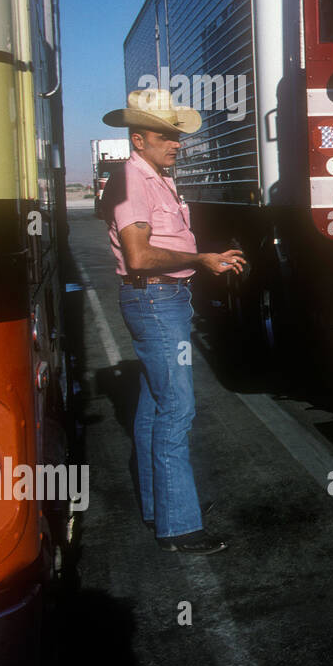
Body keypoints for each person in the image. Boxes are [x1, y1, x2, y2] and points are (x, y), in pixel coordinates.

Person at [102, 90, 247, 554]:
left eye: (176, 134)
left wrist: (203, 260)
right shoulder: (131, 179)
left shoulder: (155, 177)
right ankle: (180, 527)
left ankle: (156, 510)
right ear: (138, 138)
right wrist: (201, 258)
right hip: (155, 300)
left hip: (165, 299)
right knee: (177, 410)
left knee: (151, 409)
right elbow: (139, 256)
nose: (176, 143)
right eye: (166, 135)